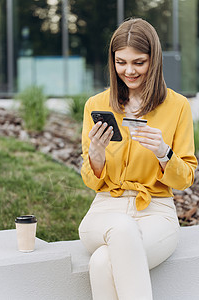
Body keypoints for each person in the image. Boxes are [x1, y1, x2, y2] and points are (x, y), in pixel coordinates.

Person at [78, 18, 198, 300]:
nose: (128, 71)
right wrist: (96, 155)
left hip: (156, 211)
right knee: (122, 226)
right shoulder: (96, 105)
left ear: (153, 61)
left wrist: (163, 153)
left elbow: (186, 179)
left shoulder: (177, 106)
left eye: (138, 62)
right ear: (113, 61)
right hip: (105, 210)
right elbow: (91, 181)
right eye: (121, 62)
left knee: (101, 262)